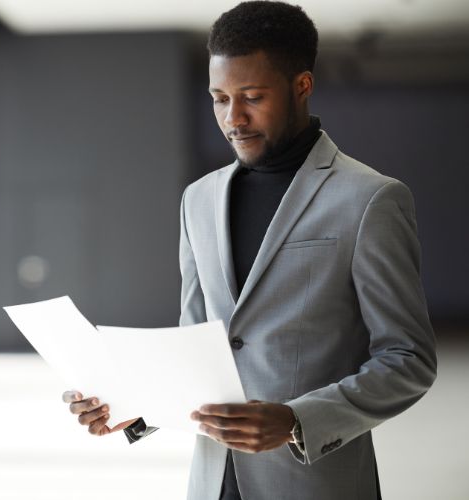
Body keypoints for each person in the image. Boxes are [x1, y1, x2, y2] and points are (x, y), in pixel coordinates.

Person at [62, 2, 437, 499]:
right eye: (219, 98)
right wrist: (133, 406)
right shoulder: (198, 199)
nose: (232, 118)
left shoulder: (370, 199)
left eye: (252, 97)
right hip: (213, 482)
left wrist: (297, 421)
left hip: (315, 483)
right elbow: (196, 345)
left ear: (301, 86)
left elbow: (407, 359)